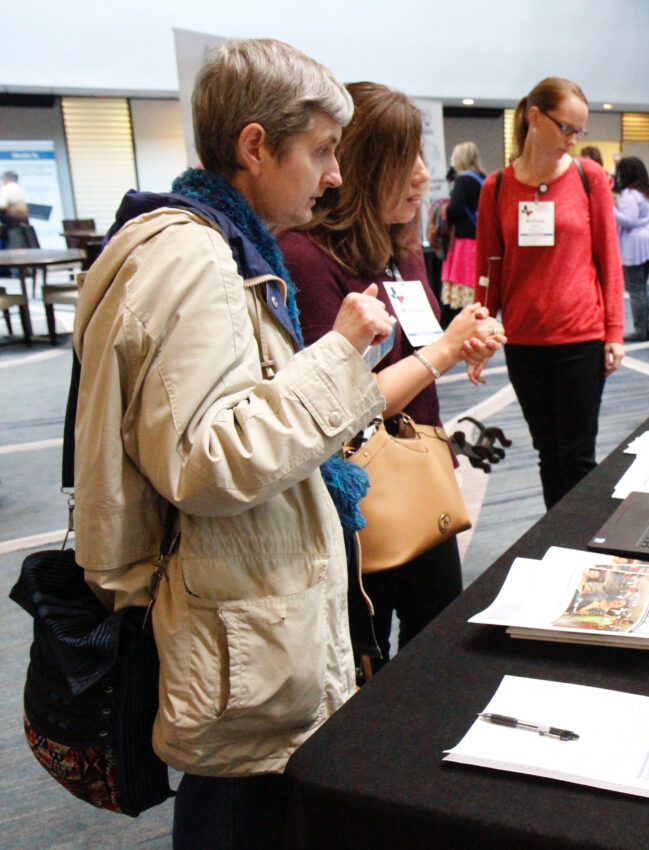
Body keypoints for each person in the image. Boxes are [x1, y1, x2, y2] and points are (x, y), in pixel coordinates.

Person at [71, 39, 401, 846]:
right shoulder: (197, 259)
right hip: (232, 631)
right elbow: (206, 459)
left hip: (240, 621)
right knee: (238, 812)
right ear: (255, 146)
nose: (333, 175)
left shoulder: (209, 244)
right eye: (322, 151)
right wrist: (339, 357)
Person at [278, 83, 503, 671]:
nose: (424, 175)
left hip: (423, 471)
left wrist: (466, 339)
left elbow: (421, 343)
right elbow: (344, 404)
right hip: (357, 498)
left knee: (438, 654)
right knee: (365, 668)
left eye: (422, 157)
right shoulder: (305, 258)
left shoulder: (401, 246)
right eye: (406, 161)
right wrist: (446, 352)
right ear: (362, 166)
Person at [474, 76, 624, 510]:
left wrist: (614, 331)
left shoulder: (588, 177)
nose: (574, 140)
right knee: (547, 453)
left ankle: (578, 547)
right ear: (534, 118)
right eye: (567, 128)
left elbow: (608, 260)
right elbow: (489, 269)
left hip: (581, 337)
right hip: (524, 340)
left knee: (577, 457)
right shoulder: (496, 188)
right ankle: (556, 542)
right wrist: (481, 331)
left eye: (580, 131)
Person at [613, 155, 649, 342]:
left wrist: (611, 209)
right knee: (642, 288)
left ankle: (640, 329)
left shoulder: (629, 194)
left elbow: (629, 220)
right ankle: (648, 327)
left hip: (635, 244)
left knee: (635, 289)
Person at [441, 141, 488, 321]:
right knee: (475, 287)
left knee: (462, 291)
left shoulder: (462, 180)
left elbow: (455, 210)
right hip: (480, 241)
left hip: (464, 243)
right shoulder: (483, 180)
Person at [0, 170, 28, 251]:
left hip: (12, 226)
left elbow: (2, 204)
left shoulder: (8, 188)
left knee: (14, 251)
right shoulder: (17, 188)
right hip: (20, 225)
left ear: (5, 179)